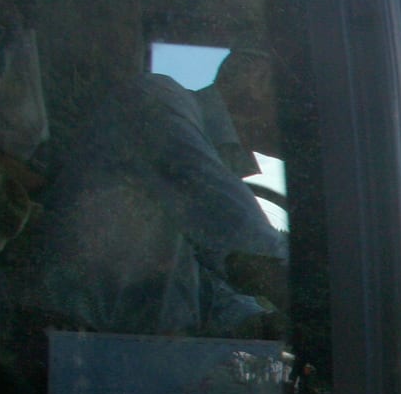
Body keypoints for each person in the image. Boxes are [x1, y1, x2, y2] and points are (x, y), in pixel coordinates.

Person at [33, 49, 288, 337]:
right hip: (67, 345)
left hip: (128, 349)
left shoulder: (216, 161)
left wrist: (256, 323)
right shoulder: (155, 101)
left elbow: (196, 288)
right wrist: (310, 290)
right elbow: (229, 224)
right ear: (259, 78)